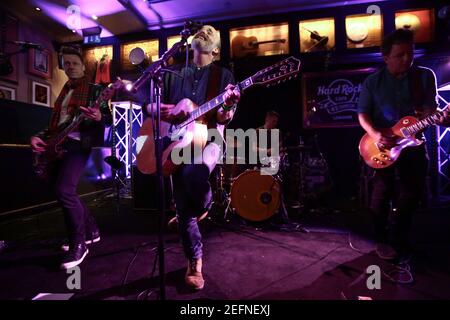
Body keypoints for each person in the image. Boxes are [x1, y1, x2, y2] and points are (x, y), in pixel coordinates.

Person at [146, 25, 240, 290]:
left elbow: (222, 117)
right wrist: (160, 110)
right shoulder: (175, 73)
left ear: (216, 50)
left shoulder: (223, 75)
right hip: (177, 140)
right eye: (200, 33)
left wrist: (229, 105)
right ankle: (194, 262)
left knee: (193, 174)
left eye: (209, 35)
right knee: (183, 207)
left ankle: (205, 206)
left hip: (209, 139)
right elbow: (150, 104)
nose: (204, 32)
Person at [358, 28, 449, 260]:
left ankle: (399, 238)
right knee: (382, 192)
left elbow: (429, 109)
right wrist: (376, 135)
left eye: (410, 53)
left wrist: (439, 117)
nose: (407, 59)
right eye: (400, 55)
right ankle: (380, 239)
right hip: (383, 144)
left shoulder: (425, 76)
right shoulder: (373, 81)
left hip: (414, 144)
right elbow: (363, 114)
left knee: (413, 192)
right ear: (385, 57)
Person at [30, 47, 112, 269]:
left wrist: (98, 116)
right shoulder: (64, 91)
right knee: (64, 191)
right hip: (59, 144)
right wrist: (37, 137)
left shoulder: (96, 90)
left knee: (64, 191)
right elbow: (53, 126)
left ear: (83, 66)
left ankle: (79, 245)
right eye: (66, 64)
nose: (70, 67)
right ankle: (91, 230)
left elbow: (108, 119)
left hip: (78, 144)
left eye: (74, 63)